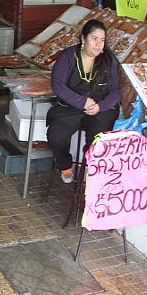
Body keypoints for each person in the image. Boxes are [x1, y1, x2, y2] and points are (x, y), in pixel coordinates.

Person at [47, 20, 121, 183]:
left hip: (100, 109)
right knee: (55, 135)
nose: (98, 44)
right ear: (83, 38)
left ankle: (91, 168)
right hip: (71, 107)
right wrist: (81, 102)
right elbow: (57, 85)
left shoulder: (109, 60)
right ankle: (65, 166)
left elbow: (116, 91)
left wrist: (101, 106)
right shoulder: (68, 56)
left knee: (98, 139)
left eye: (102, 40)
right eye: (94, 39)